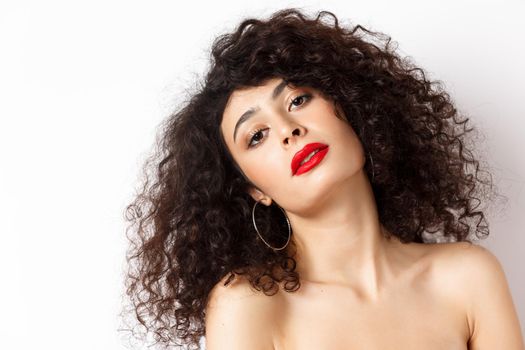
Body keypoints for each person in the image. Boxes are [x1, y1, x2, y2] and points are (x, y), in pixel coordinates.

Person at [122, 8, 524, 350]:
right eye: (256, 136)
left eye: (298, 100)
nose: (288, 130)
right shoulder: (249, 304)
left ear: (351, 109)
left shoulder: (469, 277)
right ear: (255, 190)